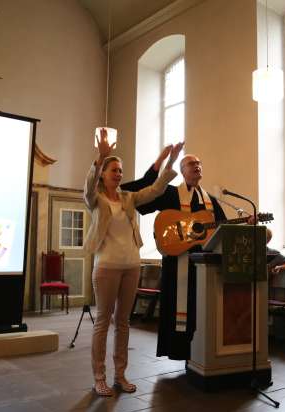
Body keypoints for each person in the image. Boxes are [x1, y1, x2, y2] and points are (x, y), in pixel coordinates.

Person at [84, 128, 181, 396]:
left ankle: (120, 375)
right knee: (103, 321)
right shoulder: (96, 199)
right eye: (114, 170)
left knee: (124, 322)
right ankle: (99, 377)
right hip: (106, 266)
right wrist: (99, 158)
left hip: (131, 265)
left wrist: (169, 165)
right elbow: (87, 188)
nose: (119, 174)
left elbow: (155, 189)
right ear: (104, 174)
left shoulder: (128, 198)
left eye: (120, 170)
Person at [123, 153, 227, 360]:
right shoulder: (170, 194)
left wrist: (246, 221)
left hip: (203, 266)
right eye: (191, 163)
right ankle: (179, 350)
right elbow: (142, 201)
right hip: (177, 261)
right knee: (178, 307)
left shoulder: (210, 201)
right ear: (182, 170)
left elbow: (222, 227)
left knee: (200, 308)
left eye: (199, 163)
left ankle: (200, 353)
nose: (197, 166)